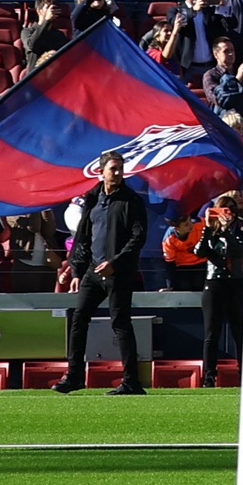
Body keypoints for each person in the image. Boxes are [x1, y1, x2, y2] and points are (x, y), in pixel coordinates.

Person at [64, 148, 154, 393]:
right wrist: (76, 271)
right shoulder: (93, 198)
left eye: (120, 169)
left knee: (121, 323)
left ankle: (131, 381)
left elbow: (138, 237)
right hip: (93, 271)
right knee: (78, 318)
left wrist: (116, 262)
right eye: (113, 169)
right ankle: (73, 376)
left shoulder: (131, 200)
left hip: (119, 272)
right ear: (101, 172)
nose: (117, 173)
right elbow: (83, 237)